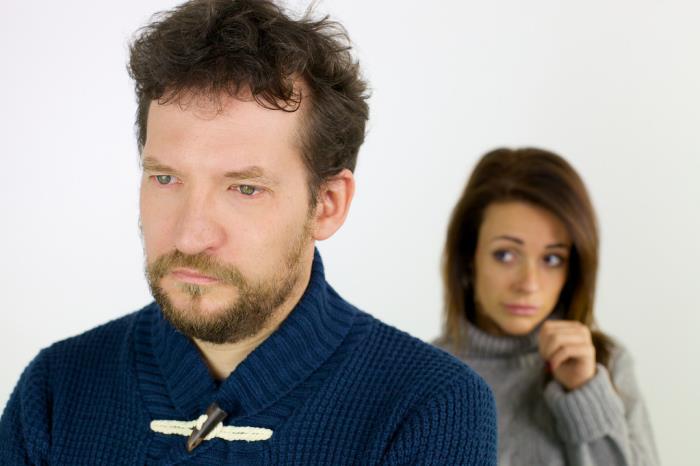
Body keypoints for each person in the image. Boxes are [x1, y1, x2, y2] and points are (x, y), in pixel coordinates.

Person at [0, 1, 498, 464]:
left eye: (244, 188)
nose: (191, 237)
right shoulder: (55, 390)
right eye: (166, 179)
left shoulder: (429, 407)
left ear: (327, 204)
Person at [434, 147, 659, 465]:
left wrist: (584, 393)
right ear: (469, 258)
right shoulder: (428, 373)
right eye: (505, 255)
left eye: (552, 259)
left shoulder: (607, 363)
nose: (529, 283)